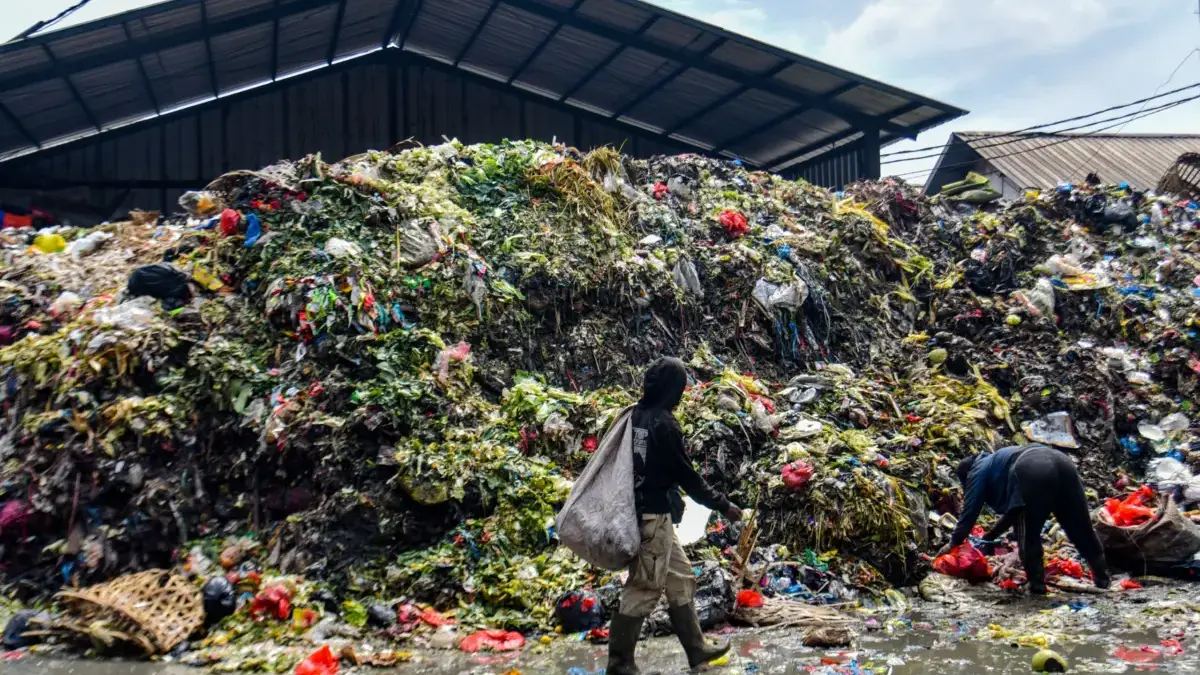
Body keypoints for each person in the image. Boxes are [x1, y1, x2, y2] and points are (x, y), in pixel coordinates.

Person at [607, 357, 743, 675]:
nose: (681, 395)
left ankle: (696, 648)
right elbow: (688, 477)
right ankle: (620, 662)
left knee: (680, 576)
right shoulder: (664, 424)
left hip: (649, 513)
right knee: (644, 587)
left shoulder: (637, 415)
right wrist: (723, 505)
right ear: (672, 389)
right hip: (651, 518)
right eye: (680, 388)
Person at [939, 444, 1110, 594]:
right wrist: (990, 536)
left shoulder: (977, 470)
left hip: (1032, 468)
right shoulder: (998, 460)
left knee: (1028, 535)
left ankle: (1037, 586)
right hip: (1062, 462)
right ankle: (1102, 579)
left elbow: (970, 510)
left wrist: (954, 542)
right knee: (1081, 528)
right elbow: (1013, 512)